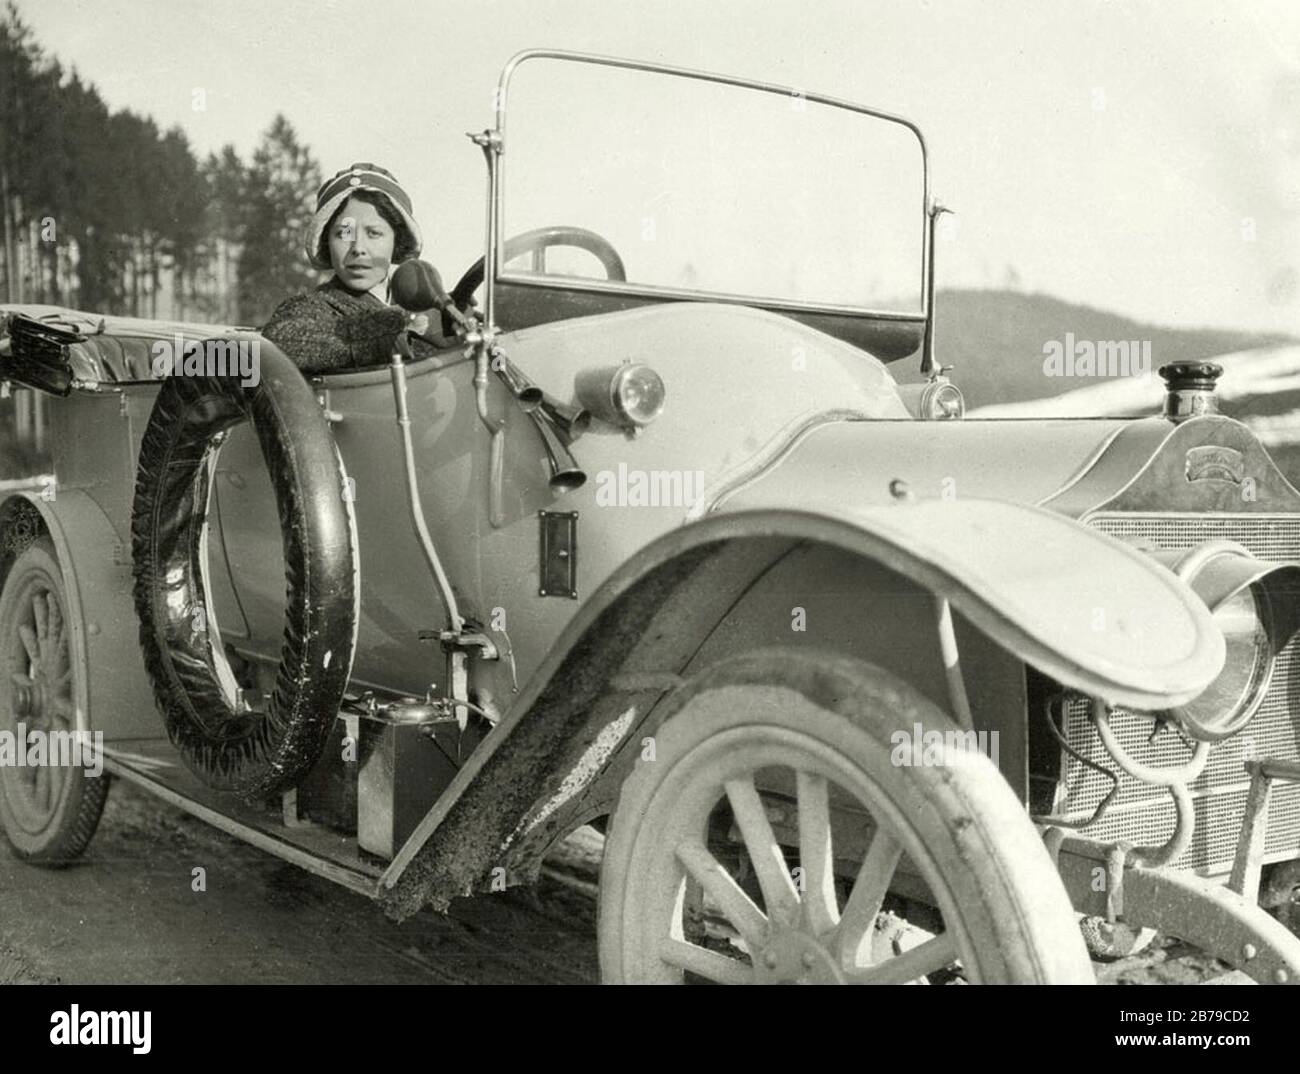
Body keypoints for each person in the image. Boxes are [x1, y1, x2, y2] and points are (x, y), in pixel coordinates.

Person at [262, 162, 468, 374]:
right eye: (345, 233)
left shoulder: (426, 308)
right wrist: (402, 325)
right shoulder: (311, 308)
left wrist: (455, 324)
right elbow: (277, 344)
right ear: (326, 242)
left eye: (374, 233)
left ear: (396, 241)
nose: (358, 248)